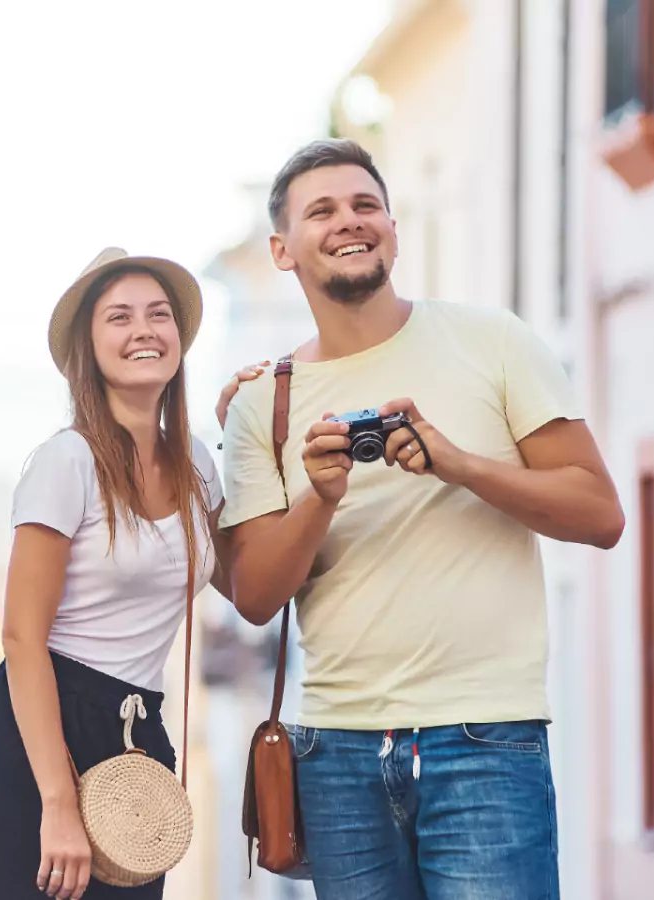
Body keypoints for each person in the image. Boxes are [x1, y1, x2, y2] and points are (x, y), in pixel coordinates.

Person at [218, 139, 625, 900]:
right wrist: (321, 497)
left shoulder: (491, 340)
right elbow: (254, 594)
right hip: (336, 750)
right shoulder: (259, 404)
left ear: (394, 231)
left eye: (366, 205)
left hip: (486, 737)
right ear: (282, 249)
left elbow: (600, 514)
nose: (350, 222)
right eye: (323, 211)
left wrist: (458, 465)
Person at [0, 247, 262, 900]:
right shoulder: (67, 462)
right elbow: (22, 638)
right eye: (119, 316)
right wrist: (56, 801)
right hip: (42, 724)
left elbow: (252, 590)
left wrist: (261, 444)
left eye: (159, 314)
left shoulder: (198, 463)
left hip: (137, 734)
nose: (143, 329)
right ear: (90, 346)